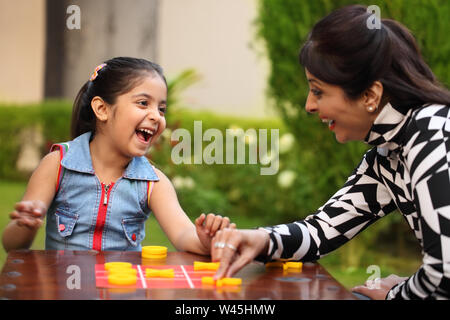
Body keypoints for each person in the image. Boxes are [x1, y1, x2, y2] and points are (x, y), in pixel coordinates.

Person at [210, 5, 450, 300]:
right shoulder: (388, 154)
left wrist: (394, 295)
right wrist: (260, 239)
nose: (309, 106)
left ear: (369, 96)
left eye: (319, 91)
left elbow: (444, 276)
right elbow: (320, 232)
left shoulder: (433, 131)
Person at [2, 57, 234, 255]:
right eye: (143, 103)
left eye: (161, 109)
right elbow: (12, 246)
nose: (156, 116)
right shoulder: (58, 164)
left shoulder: (154, 183)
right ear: (102, 109)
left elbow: (183, 234)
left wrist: (205, 241)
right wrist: (27, 224)